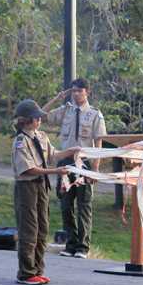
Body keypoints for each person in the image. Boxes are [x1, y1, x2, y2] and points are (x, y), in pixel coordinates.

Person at [12, 99, 80, 285]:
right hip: (27, 187)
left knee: (43, 227)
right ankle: (26, 273)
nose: (40, 120)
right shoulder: (20, 141)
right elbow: (28, 169)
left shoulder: (41, 136)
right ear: (26, 120)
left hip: (42, 186)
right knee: (29, 229)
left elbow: (53, 155)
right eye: (36, 118)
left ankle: (37, 269)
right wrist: (55, 171)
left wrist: (71, 151)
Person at [42, 78, 106, 259]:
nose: (76, 94)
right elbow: (41, 115)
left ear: (87, 92)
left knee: (84, 205)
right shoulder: (66, 111)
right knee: (66, 204)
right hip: (65, 162)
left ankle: (82, 247)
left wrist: (95, 169)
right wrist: (57, 98)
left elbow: (98, 142)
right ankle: (70, 244)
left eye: (79, 90)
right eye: (73, 91)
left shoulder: (95, 114)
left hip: (84, 163)